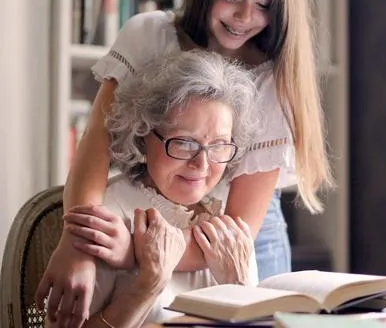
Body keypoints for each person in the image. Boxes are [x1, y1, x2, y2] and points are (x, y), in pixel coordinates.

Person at [37, 0, 333, 327]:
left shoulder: (274, 80)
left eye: (264, 4)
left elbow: (240, 226)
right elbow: (96, 142)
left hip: (237, 232)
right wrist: (79, 241)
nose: (245, 18)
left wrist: (133, 252)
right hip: (148, 215)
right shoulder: (150, 35)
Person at [46, 50, 259, 327]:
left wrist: (239, 287)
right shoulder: (106, 217)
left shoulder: (228, 221)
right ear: (143, 135)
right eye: (184, 142)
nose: (202, 164)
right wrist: (147, 287)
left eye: (219, 144)